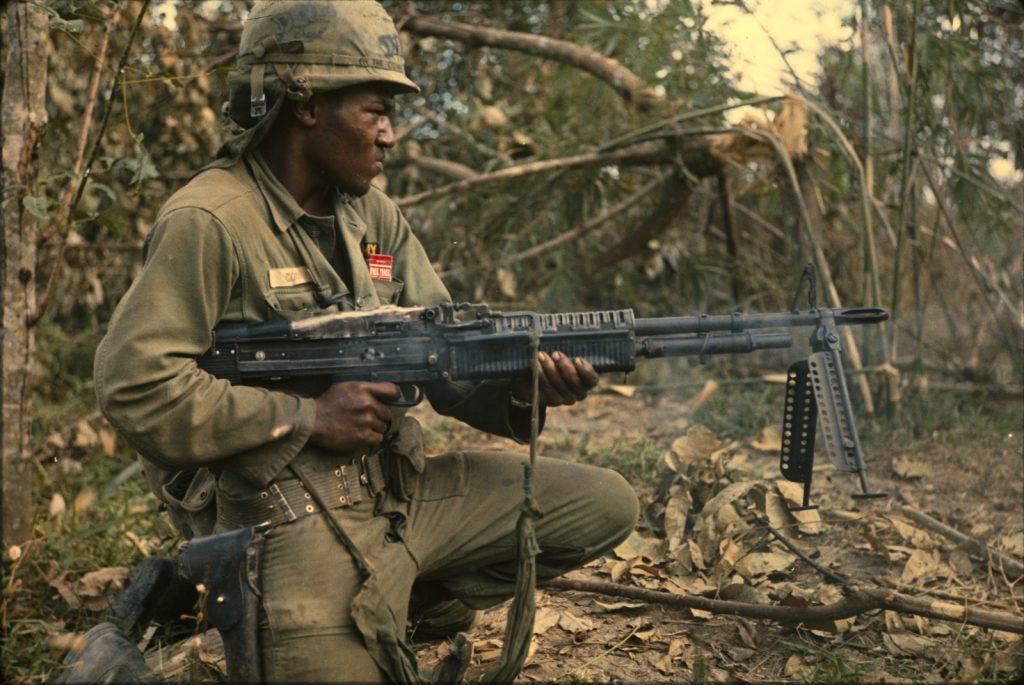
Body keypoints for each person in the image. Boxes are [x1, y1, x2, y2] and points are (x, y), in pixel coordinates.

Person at [90, 1, 638, 681]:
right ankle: (188, 645)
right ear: (307, 105)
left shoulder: (374, 215)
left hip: (394, 496)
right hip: (281, 515)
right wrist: (308, 416)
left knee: (605, 503)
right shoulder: (211, 220)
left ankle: (387, 595)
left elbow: (445, 353)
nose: (390, 136)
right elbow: (135, 385)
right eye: (375, 111)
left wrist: (523, 383)